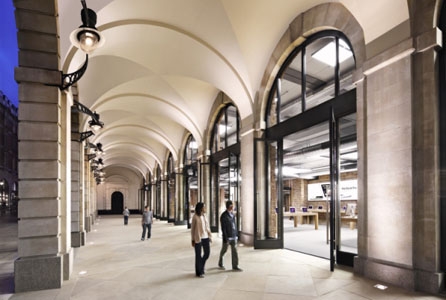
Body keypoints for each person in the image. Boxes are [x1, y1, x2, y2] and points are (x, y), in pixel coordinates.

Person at [218, 200, 242, 271]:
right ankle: (220, 262)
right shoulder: (224, 216)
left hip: (233, 236)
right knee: (224, 250)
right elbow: (223, 228)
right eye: (231, 206)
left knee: (235, 251)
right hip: (227, 237)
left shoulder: (232, 215)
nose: (232, 207)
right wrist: (225, 238)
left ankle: (235, 266)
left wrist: (236, 234)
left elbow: (234, 225)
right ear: (229, 207)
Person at [191, 202, 212, 278]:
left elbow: (207, 226)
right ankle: (199, 272)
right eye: (204, 207)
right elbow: (192, 229)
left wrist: (210, 236)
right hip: (198, 238)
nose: (205, 208)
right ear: (200, 208)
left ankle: (201, 266)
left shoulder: (205, 216)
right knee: (198, 256)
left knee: (207, 253)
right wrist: (192, 240)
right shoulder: (195, 217)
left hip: (206, 237)